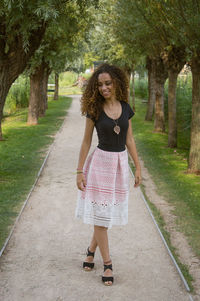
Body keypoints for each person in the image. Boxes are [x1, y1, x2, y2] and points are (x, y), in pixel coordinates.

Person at [75, 63, 142, 286]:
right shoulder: (94, 110)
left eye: (108, 83)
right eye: (100, 84)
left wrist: (138, 167)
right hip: (100, 165)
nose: (104, 88)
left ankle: (90, 251)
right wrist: (79, 171)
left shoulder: (126, 107)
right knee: (101, 218)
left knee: (105, 215)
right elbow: (86, 141)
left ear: (116, 83)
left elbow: (129, 139)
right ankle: (108, 264)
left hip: (120, 165)